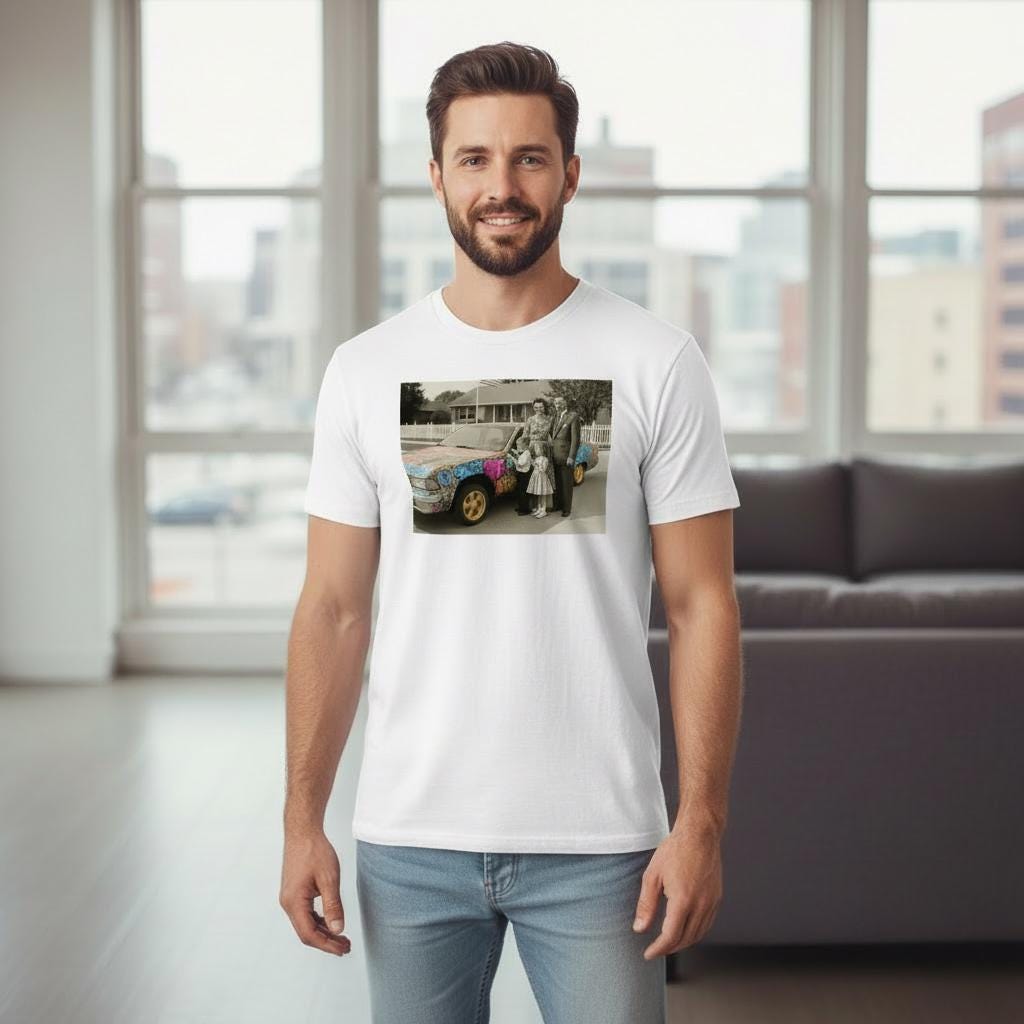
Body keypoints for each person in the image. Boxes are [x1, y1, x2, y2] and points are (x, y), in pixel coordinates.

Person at [282, 41, 742, 1024]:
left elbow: (703, 605)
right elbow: (332, 608)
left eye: (531, 158)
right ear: (437, 174)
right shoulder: (365, 369)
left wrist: (698, 822)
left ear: (570, 173)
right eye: (477, 158)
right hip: (409, 839)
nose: (504, 185)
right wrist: (300, 820)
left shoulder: (656, 361)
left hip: (601, 842)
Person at [548, 393, 580, 516]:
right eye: (556, 403)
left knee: (566, 484)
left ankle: (567, 509)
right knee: (557, 483)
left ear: (565, 403)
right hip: (555, 456)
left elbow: (575, 439)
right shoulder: (554, 417)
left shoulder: (572, 416)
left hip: (566, 457)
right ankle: (558, 505)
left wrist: (571, 457)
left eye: (560, 403)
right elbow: (551, 434)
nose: (558, 405)